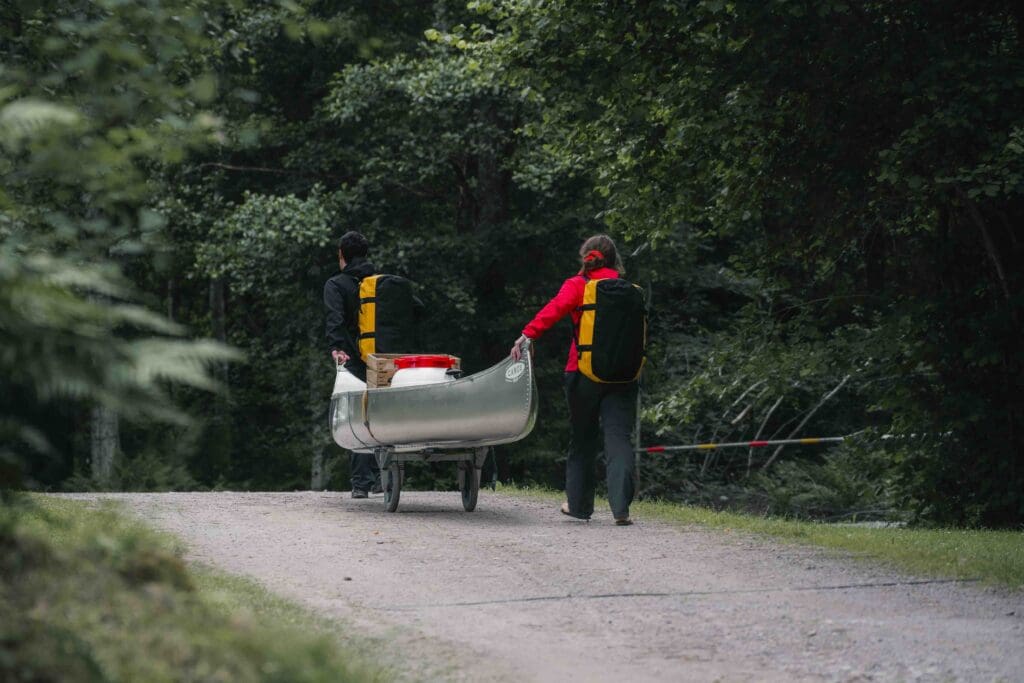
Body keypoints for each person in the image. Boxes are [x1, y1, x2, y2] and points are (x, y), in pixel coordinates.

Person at [510, 235, 640, 525]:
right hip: (623, 376)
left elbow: (554, 310)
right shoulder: (629, 290)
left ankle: (579, 506)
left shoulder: (579, 285)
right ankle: (621, 510)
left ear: (586, 258)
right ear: (614, 259)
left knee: (583, 439)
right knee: (619, 438)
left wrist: (526, 336)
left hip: (582, 373)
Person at [324, 231, 381, 498]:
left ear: (342, 255)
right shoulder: (381, 283)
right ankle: (385, 479)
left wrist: (337, 349)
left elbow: (334, 319)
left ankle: (361, 484)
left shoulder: (336, 285)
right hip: (384, 360)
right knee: (382, 414)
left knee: (358, 417)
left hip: (353, 359)